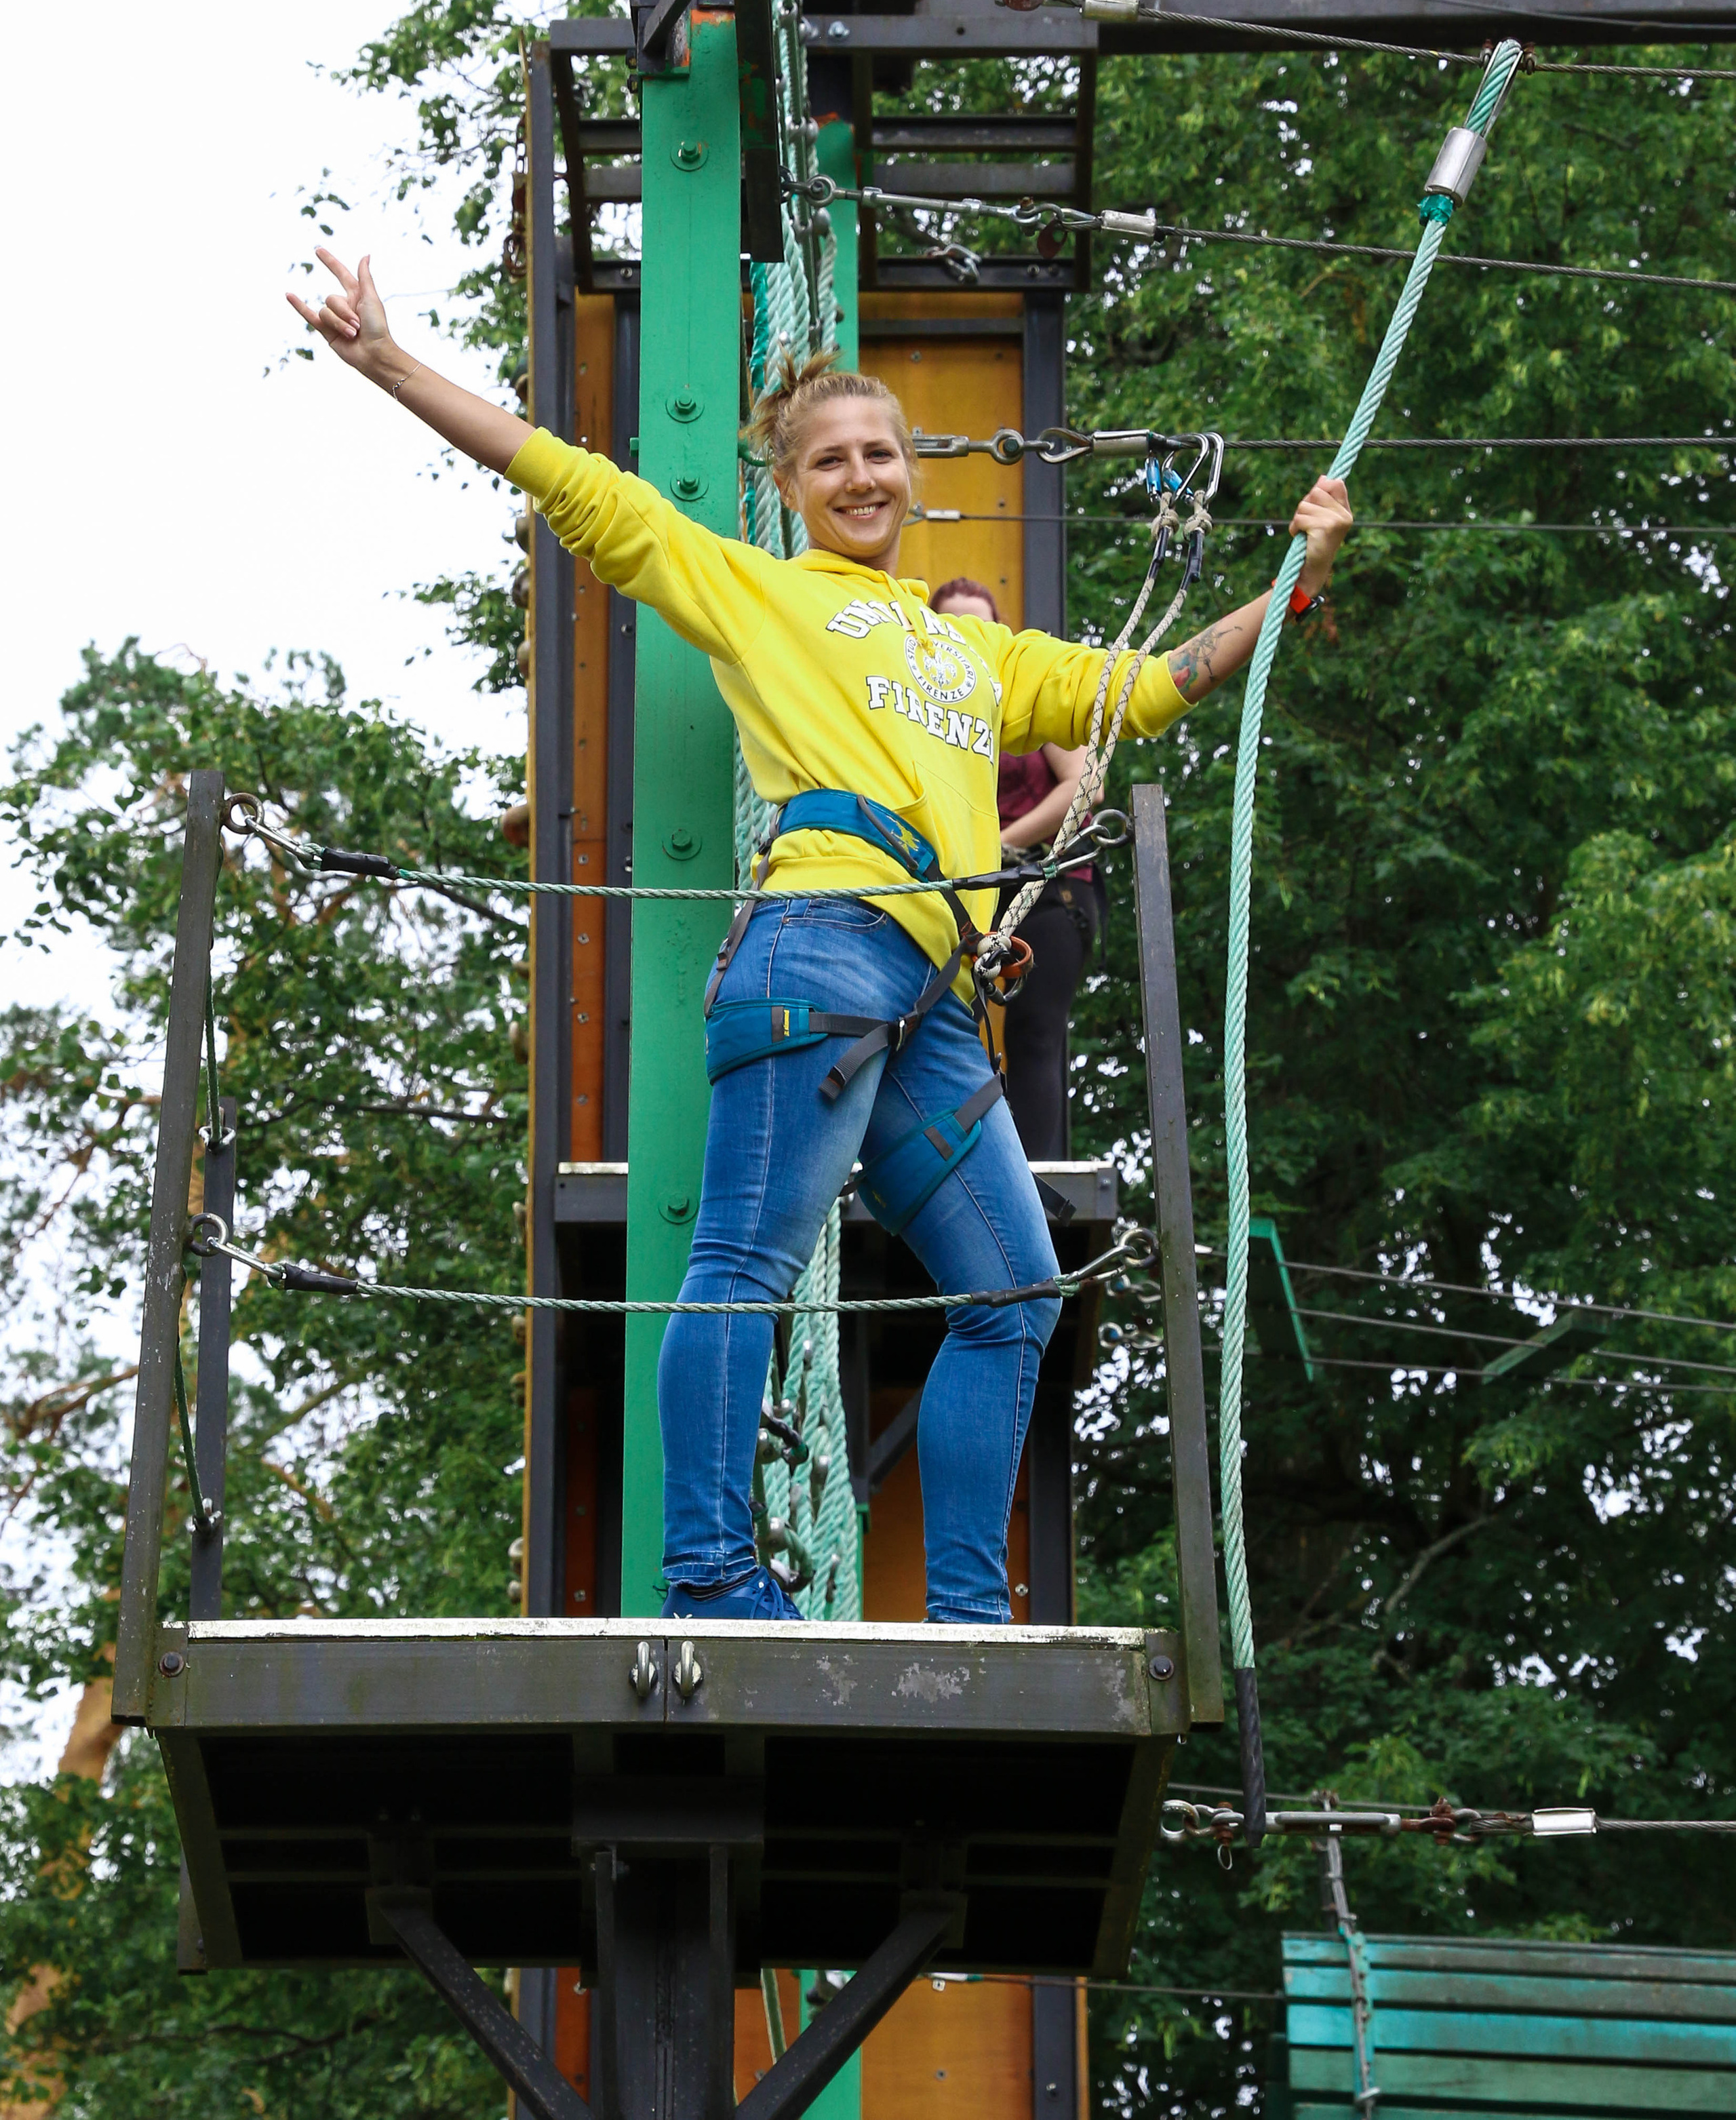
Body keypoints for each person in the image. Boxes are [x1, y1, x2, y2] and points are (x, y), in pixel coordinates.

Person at [288, 250, 1354, 1626]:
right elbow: (574, 486)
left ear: (913, 473)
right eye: (829, 462)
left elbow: (1147, 688)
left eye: (880, 456)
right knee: (745, 1261)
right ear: (786, 489)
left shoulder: (977, 657)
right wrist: (390, 362)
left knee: (1014, 1287)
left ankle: (966, 1615)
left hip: (917, 992)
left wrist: (1297, 579)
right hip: (819, 946)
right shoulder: (763, 596)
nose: (860, 478)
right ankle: (710, 1577)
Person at [929, 576, 1099, 1162]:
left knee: (1034, 1031)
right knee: (940, 1026)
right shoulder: (921, 711)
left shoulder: (1021, 696)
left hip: (1046, 888)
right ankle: (952, 1159)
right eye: (953, 626)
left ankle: (1032, 1173)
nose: (968, 638)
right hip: (963, 894)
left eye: (981, 627)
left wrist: (1000, 843)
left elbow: (1086, 784)